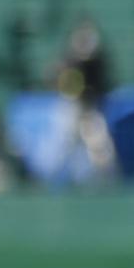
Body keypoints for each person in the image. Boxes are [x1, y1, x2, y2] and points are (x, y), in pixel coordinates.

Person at [51, 13, 119, 182]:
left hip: (90, 107)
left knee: (100, 148)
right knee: (63, 145)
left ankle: (107, 183)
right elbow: (59, 83)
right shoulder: (69, 60)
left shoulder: (98, 62)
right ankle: (52, 182)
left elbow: (105, 85)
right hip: (71, 106)